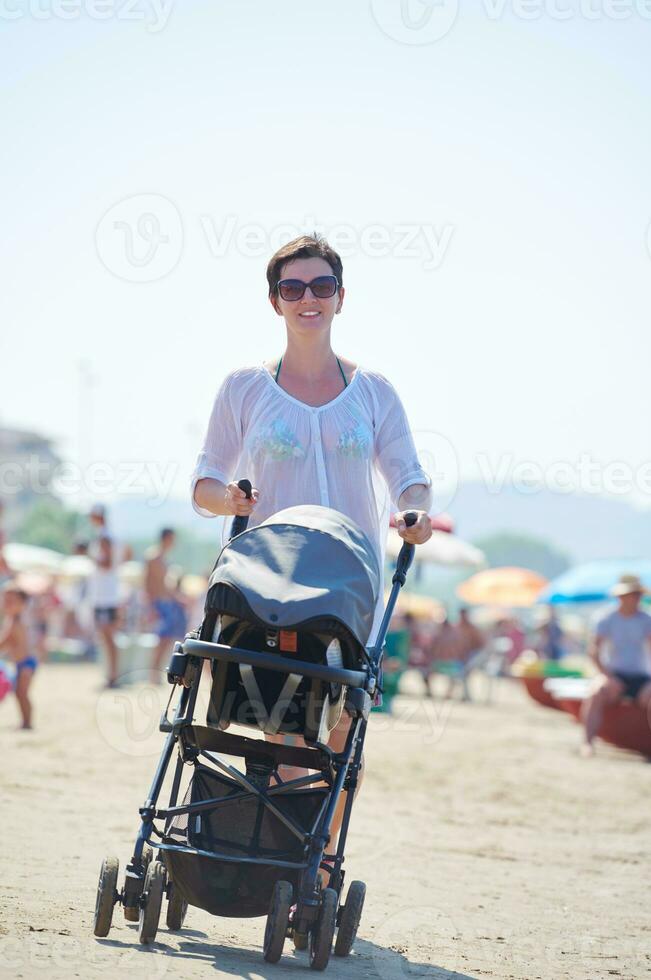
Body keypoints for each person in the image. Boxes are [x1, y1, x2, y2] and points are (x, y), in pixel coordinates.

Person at [191, 234, 433, 857]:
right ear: (275, 301)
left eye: (321, 287)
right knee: (283, 724)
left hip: (349, 585)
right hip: (265, 581)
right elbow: (204, 484)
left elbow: (409, 477)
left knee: (342, 727)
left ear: (340, 298)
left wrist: (415, 514)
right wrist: (232, 500)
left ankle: (318, 860)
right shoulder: (243, 387)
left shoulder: (374, 390)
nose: (309, 299)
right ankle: (285, 850)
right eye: (293, 288)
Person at [582, 574, 651, 755]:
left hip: (642, 676)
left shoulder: (647, 620)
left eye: (639, 594)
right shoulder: (606, 618)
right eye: (634, 594)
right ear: (622, 597)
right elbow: (593, 651)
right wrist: (608, 676)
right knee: (596, 692)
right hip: (614, 673)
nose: (638, 598)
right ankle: (587, 742)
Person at [144, 528, 187, 681]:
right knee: (162, 639)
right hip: (160, 604)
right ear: (167, 538)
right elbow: (152, 584)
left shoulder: (159, 556)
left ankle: (154, 672)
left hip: (163, 603)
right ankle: (153, 673)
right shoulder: (155, 557)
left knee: (164, 639)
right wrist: (151, 607)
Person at [87, 505, 122, 687]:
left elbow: (106, 563)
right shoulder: (107, 535)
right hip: (107, 594)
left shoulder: (104, 536)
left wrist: (88, 557)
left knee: (107, 636)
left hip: (105, 595)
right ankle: (112, 674)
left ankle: (113, 675)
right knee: (107, 637)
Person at [0, 583, 36, 729]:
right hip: (20, 663)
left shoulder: (16, 622)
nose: (7, 604)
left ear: (22, 605)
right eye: (5, 600)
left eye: (11, 601)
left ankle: (27, 722)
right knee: (19, 693)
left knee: (22, 693)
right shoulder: (10, 620)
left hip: (26, 663)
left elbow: (6, 641)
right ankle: (25, 721)